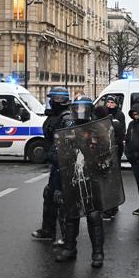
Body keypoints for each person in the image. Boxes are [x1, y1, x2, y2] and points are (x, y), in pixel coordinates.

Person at [54, 95, 106, 266]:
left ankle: (97, 253)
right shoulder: (67, 127)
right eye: (78, 109)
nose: (81, 112)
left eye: (84, 109)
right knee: (71, 214)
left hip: (92, 177)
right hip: (72, 176)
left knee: (94, 216)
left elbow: (106, 152)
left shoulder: (97, 129)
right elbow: (57, 151)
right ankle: (70, 248)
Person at [31, 87, 72, 245]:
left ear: (58, 100)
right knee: (49, 195)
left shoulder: (66, 117)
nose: (49, 102)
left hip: (64, 164)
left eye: (52, 99)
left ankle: (66, 236)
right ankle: (48, 230)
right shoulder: (55, 116)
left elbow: (66, 142)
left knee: (61, 198)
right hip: (56, 163)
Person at [98, 95, 125, 220]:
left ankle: (113, 207)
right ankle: (110, 206)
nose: (110, 104)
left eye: (112, 102)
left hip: (114, 149)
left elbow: (119, 133)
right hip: (104, 149)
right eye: (108, 102)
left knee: (112, 179)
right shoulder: (103, 114)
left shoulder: (119, 115)